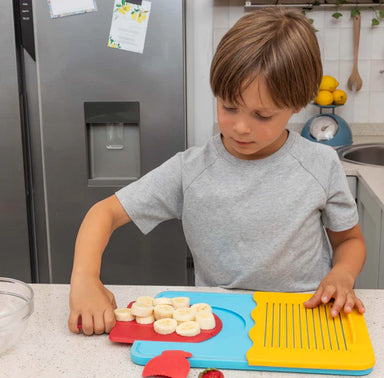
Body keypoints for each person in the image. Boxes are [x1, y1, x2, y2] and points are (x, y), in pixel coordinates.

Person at [68, 7, 366, 336]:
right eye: (229, 106)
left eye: (262, 115)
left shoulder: (320, 165)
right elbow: (104, 212)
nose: (240, 127)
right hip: (219, 324)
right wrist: (84, 279)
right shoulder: (191, 169)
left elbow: (349, 240)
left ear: (298, 104)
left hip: (304, 318)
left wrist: (342, 274)